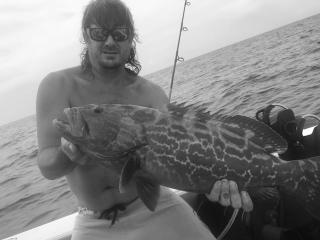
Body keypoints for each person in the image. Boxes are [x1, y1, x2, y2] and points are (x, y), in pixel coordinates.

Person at [36, 0, 253, 239]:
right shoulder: (58, 86)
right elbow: (47, 165)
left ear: (131, 40)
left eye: (120, 34)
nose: (110, 41)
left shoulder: (151, 95)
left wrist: (211, 183)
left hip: (153, 204)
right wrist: (68, 155)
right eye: (99, 33)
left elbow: (183, 154)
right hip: (93, 221)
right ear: (86, 36)